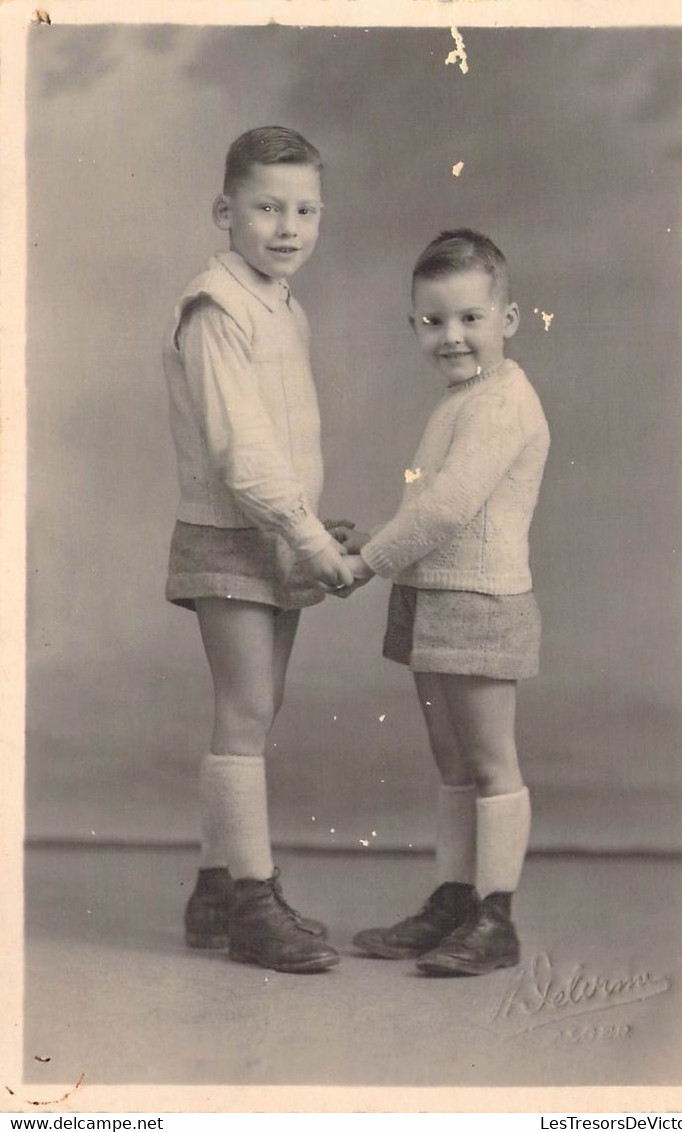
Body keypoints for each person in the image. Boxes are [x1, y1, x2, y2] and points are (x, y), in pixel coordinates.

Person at [162, 126, 354, 974]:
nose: (288, 227)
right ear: (224, 211)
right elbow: (241, 453)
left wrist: (311, 522)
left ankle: (214, 886)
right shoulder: (215, 306)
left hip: (274, 531)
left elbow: (280, 446)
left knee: (256, 709)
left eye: (305, 209)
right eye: (268, 207)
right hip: (232, 536)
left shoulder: (283, 303)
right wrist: (305, 535)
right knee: (244, 714)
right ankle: (251, 904)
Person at [339, 229, 550, 976]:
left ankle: (497, 919)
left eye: (471, 319)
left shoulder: (503, 404)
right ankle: (455, 900)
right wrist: (373, 541)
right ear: (414, 325)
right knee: (453, 762)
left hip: (481, 602)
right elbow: (430, 513)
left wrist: (365, 561)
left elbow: (449, 509)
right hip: (430, 594)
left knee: (490, 761)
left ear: (509, 320)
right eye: (434, 321)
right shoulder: (463, 400)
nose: (453, 337)